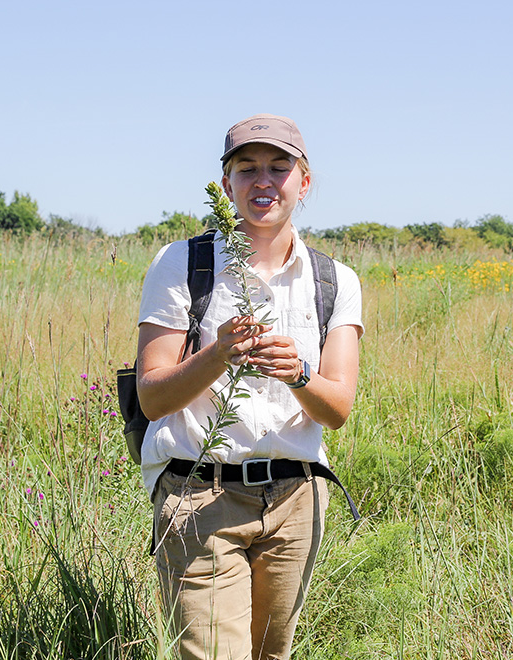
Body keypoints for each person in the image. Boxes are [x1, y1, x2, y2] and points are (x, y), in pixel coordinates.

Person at [136, 113, 364, 660]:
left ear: (304, 182)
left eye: (279, 167)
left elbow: (336, 410)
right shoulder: (182, 264)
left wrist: (299, 374)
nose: (264, 181)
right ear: (226, 185)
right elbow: (152, 396)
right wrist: (218, 353)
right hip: (200, 494)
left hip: (296, 499)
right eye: (247, 168)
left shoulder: (336, 280)